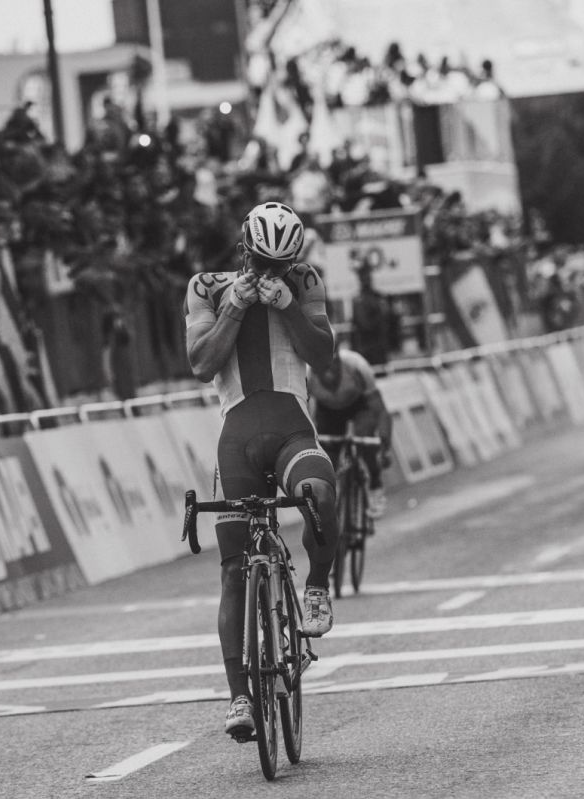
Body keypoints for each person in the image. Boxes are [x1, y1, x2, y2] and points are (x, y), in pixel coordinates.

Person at [183, 201, 339, 739]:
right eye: (261, 262)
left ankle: (316, 586)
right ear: (243, 250)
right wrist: (235, 307)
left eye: (281, 265)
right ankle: (240, 698)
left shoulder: (305, 280)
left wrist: (290, 307)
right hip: (238, 441)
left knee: (319, 490)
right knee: (233, 570)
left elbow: (324, 355)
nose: (270, 272)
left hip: (292, 431)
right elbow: (202, 363)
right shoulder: (206, 287)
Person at [308, 348, 394, 518]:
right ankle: (328, 500)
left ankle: (375, 485)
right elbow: (305, 417)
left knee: (364, 438)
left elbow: (380, 411)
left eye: (333, 364)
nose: (329, 372)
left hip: (360, 406)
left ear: (339, 358)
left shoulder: (356, 365)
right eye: (322, 367)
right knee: (327, 458)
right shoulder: (306, 376)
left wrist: (384, 445)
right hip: (328, 412)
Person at [349, 262, 399, 366]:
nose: (366, 279)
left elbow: (389, 320)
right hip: (365, 346)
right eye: (364, 277)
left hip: (379, 346)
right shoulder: (358, 300)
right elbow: (364, 323)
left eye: (368, 276)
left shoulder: (379, 297)